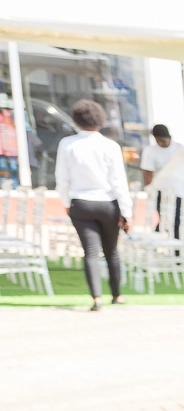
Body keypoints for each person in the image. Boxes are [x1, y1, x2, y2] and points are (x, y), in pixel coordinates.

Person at [53, 99, 131, 310]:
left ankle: (96, 298)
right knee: (111, 251)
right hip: (108, 204)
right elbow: (119, 181)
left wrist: (66, 202)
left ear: (76, 119)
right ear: (100, 119)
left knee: (90, 252)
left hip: (81, 203)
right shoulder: (110, 145)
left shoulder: (67, 144)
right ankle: (117, 294)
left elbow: (61, 178)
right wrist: (126, 210)